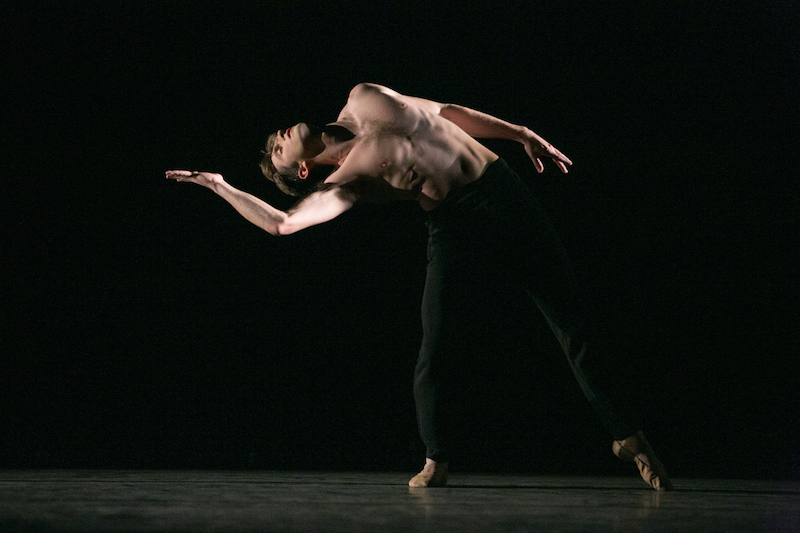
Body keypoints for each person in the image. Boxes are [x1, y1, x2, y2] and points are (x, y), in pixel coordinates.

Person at [166, 83, 672, 490]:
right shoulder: (346, 183)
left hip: (501, 192)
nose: (279, 135)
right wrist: (219, 185)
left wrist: (520, 133)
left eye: (275, 137)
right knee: (437, 344)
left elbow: (447, 111)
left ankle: (629, 437)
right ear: (302, 168)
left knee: (571, 322)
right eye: (278, 149)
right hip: (452, 223)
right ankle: (437, 459)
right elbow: (283, 224)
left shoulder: (363, 95)